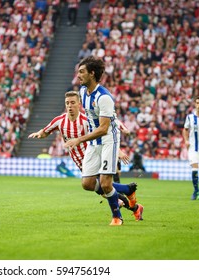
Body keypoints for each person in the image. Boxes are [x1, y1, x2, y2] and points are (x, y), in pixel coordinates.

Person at [29, 90, 143, 223]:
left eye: (73, 103)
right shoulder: (59, 121)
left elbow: (107, 129)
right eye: (67, 103)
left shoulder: (86, 120)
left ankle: (124, 208)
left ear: (79, 104)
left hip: (95, 157)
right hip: (80, 163)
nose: (70, 106)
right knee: (99, 186)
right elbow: (45, 131)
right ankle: (130, 196)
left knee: (103, 187)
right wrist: (39, 134)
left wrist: (117, 150)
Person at [64, 56, 130, 226]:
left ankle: (117, 217)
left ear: (92, 74)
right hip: (95, 141)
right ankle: (127, 190)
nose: (78, 75)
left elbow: (103, 128)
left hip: (108, 139)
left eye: (81, 72)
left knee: (106, 183)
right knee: (87, 183)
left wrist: (78, 140)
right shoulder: (82, 93)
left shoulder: (104, 97)